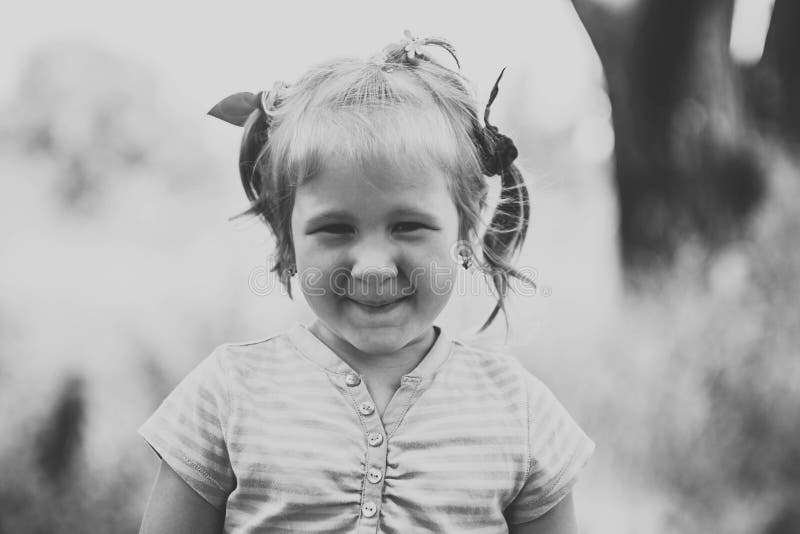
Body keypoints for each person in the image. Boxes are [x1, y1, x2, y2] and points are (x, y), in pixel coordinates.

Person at [138, 31, 595, 534]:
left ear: (464, 233)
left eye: (408, 226)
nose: (373, 268)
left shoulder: (522, 413)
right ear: (288, 244)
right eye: (336, 229)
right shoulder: (226, 394)